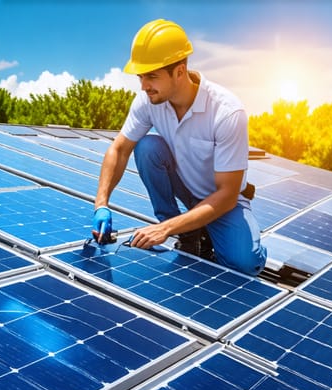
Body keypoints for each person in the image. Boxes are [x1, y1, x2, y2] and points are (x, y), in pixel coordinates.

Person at [91, 18, 266, 276]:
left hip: (222, 200)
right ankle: (188, 233)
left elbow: (227, 195)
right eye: (141, 76)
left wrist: (165, 230)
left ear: (180, 71)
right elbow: (119, 149)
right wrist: (101, 204)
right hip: (187, 189)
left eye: (151, 76)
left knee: (245, 263)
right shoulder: (148, 101)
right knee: (147, 147)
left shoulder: (227, 112)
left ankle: (190, 228)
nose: (143, 86)